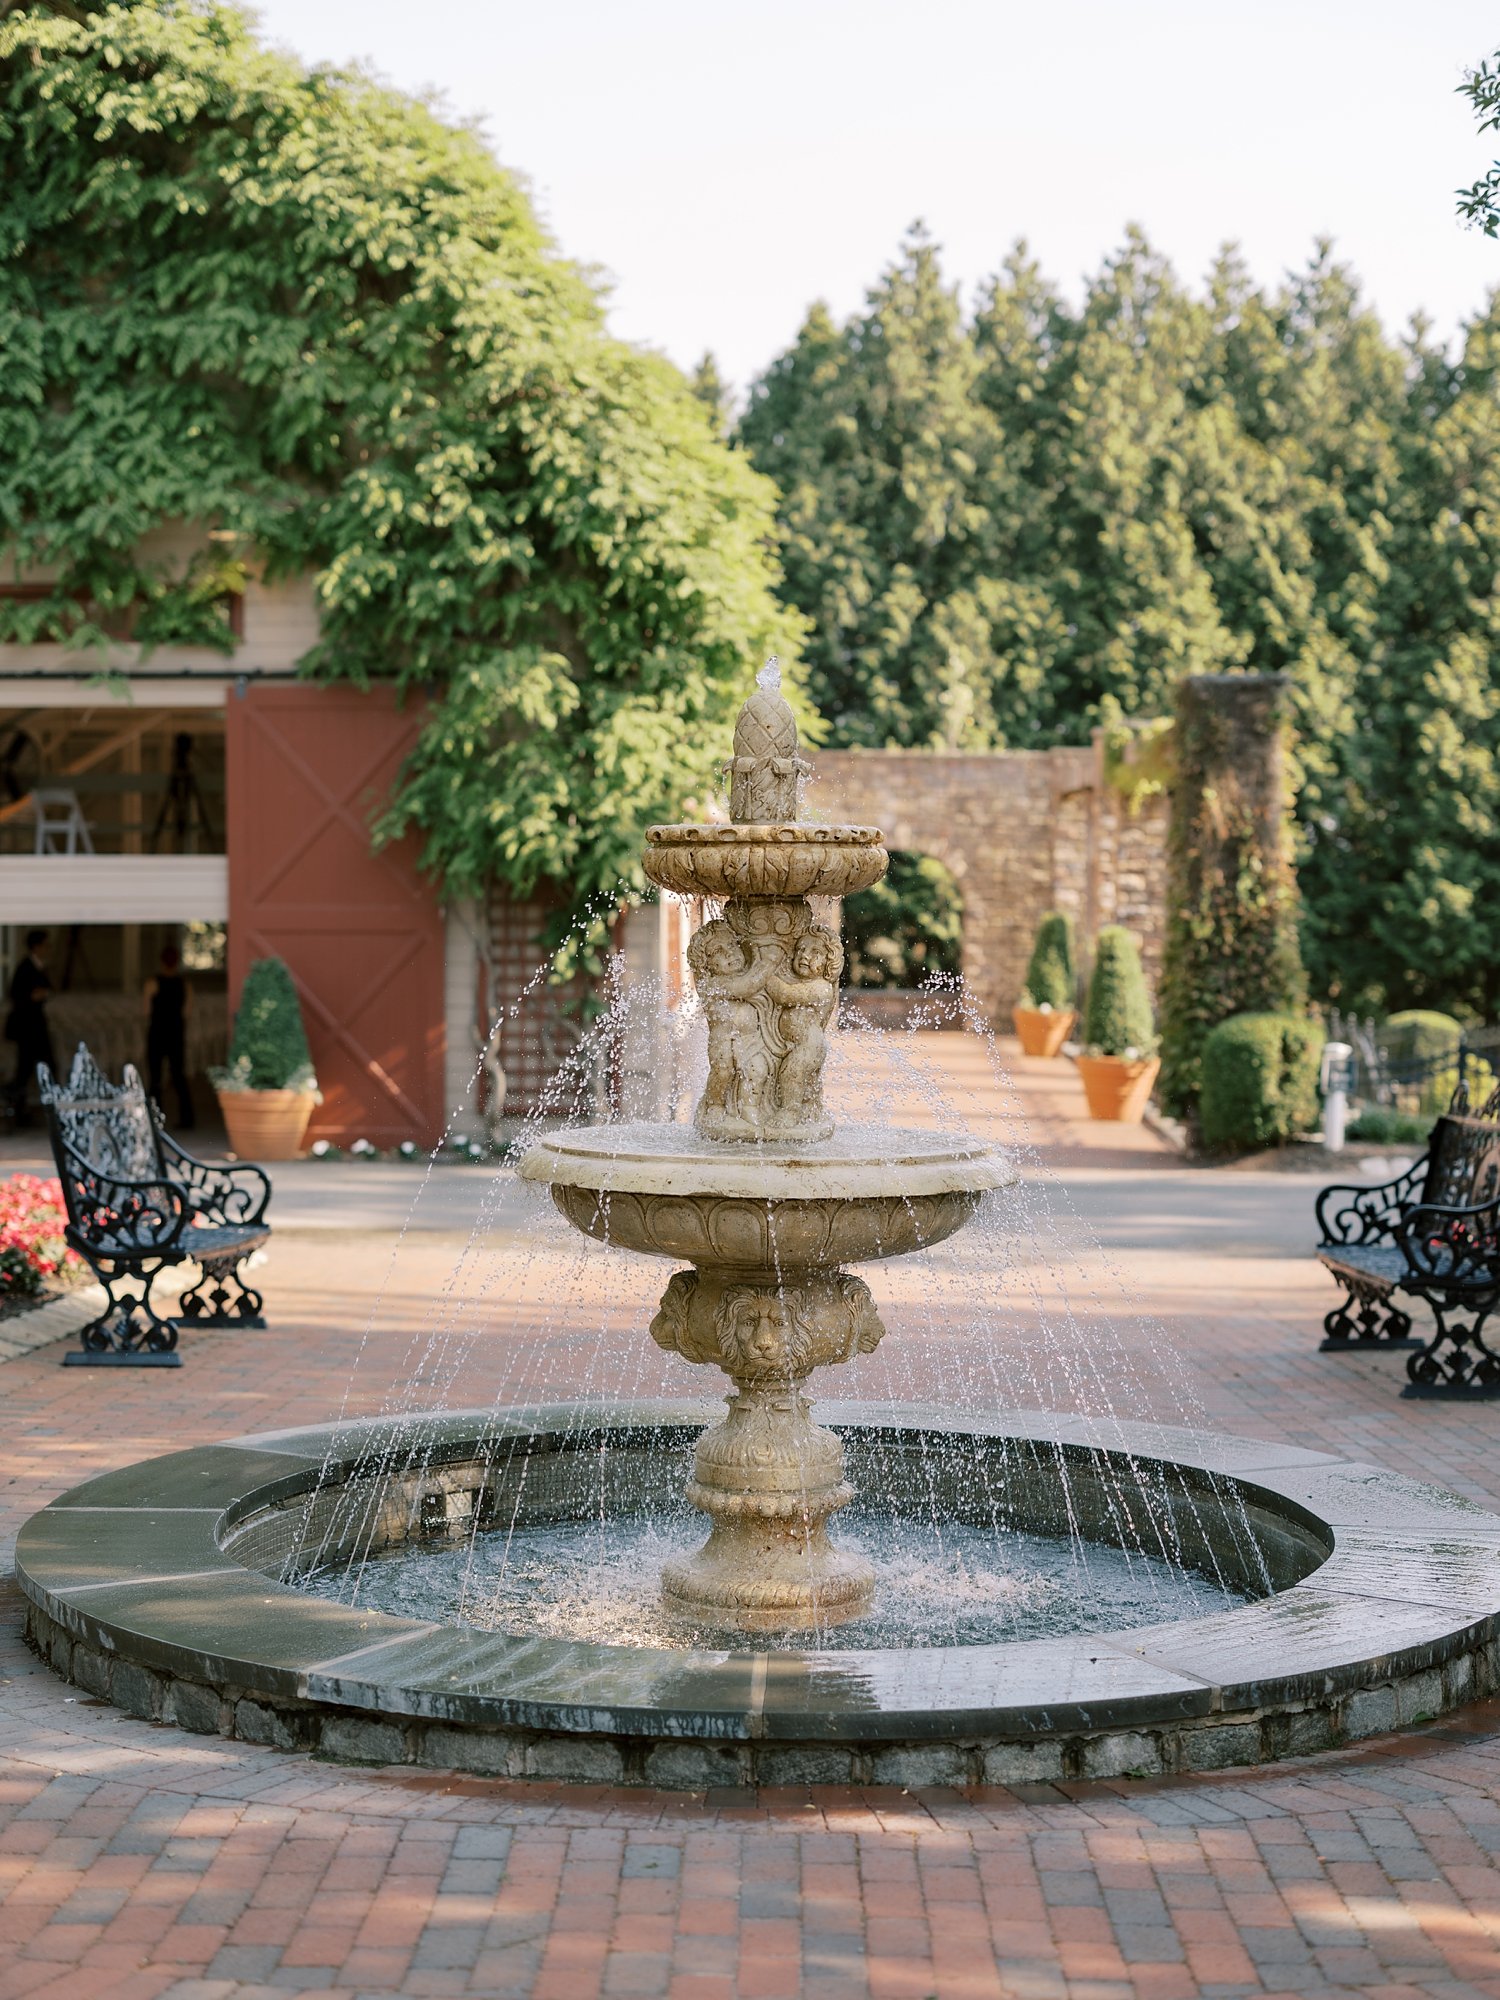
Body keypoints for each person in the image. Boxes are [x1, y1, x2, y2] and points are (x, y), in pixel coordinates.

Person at [4, 929, 55, 1125]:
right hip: (28, 1028)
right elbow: (18, 996)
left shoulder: (39, 967)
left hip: (36, 1026)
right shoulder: (25, 968)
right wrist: (35, 996)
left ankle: (33, 1107)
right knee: (25, 1070)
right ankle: (19, 1108)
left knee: (38, 1067)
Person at [144, 942, 194, 1128]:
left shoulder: (152, 983)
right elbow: (187, 1012)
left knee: (155, 1077)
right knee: (178, 1075)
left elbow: (146, 1010)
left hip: (157, 1033)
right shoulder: (185, 985)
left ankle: (155, 1119)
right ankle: (187, 1118)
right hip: (175, 1033)